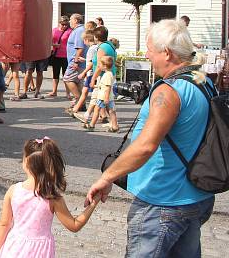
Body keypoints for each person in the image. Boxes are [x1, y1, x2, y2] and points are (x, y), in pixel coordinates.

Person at [86, 19, 216, 257]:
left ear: (167, 53)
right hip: (195, 195)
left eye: (150, 50)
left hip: (163, 201)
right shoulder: (203, 81)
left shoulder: (170, 90)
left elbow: (146, 146)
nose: (147, 55)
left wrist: (107, 177)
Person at [0, 137, 99, 257]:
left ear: (26, 162)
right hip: (40, 251)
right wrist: (93, 203)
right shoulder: (52, 198)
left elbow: (4, 223)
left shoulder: (13, 191)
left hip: (13, 247)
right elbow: (74, 225)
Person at [84, 55, 119, 132]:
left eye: (100, 64)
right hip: (108, 97)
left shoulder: (107, 75)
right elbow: (104, 86)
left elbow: (108, 87)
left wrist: (106, 98)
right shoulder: (108, 74)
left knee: (97, 110)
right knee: (111, 111)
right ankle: (114, 126)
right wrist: (96, 86)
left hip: (103, 97)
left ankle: (92, 125)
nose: (99, 66)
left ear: (105, 66)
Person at [70, 30, 97, 119]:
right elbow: (92, 61)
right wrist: (85, 60)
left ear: (86, 40)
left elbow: (92, 63)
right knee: (85, 92)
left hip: (91, 74)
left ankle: (101, 114)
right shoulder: (95, 48)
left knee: (94, 95)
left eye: (83, 41)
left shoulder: (92, 49)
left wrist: (84, 73)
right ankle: (75, 109)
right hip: (91, 73)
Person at [62, 13, 87, 110]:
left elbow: (80, 48)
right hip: (76, 61)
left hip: (76, 61)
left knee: (67, 79)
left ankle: (79, 100)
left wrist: (75, 61)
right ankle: (82, 104)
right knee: (77, 82)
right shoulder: (78, 30)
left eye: (71, 20)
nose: (69, 22)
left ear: (76, 20)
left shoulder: (79, 31)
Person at [48, 16, 71, 98]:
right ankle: (54, 91)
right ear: (59, 23)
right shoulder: (54, 30)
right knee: (55, 74)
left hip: (65, 55)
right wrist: (53, 45)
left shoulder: (69, 31)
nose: (64, 26)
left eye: (66, 24)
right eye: (62, 24)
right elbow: (49, 40)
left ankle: (68, 93)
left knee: (66, 75)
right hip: (56, 55)